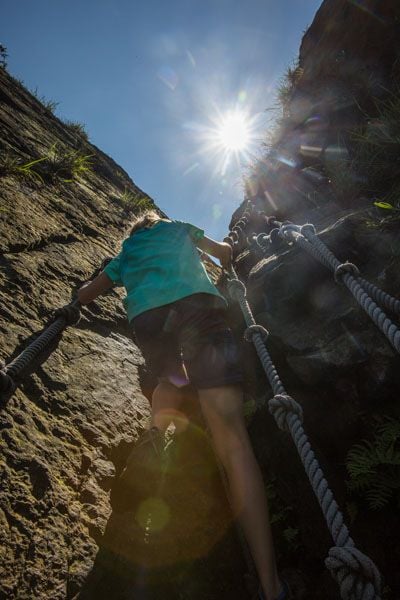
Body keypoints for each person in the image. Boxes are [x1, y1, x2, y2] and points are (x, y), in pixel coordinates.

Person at [77, 210, 288, 600]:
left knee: (167, 379)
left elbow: (90, 291)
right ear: (158, 221)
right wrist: (229, 251)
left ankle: (155, 434)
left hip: (149, 318)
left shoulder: (128, 249)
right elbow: (223, 253)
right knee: (232, 442)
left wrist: (75, 298)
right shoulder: (179, 230)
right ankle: (270, 584)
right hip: (200, 311)